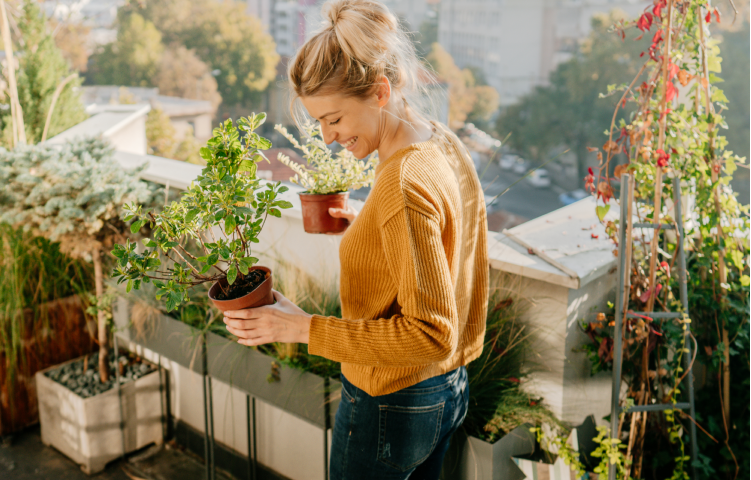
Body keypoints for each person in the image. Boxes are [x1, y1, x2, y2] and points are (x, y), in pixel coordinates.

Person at [222, 1, 488, 478]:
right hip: (448, 390)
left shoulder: (402, 184)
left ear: (381, 92)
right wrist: (366, 225)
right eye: (319, 123)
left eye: (335, 119)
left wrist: (299, 328)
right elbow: (449, 242)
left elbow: (430, 332)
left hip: (393, 400)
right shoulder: (439, 140)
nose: (326, 138)